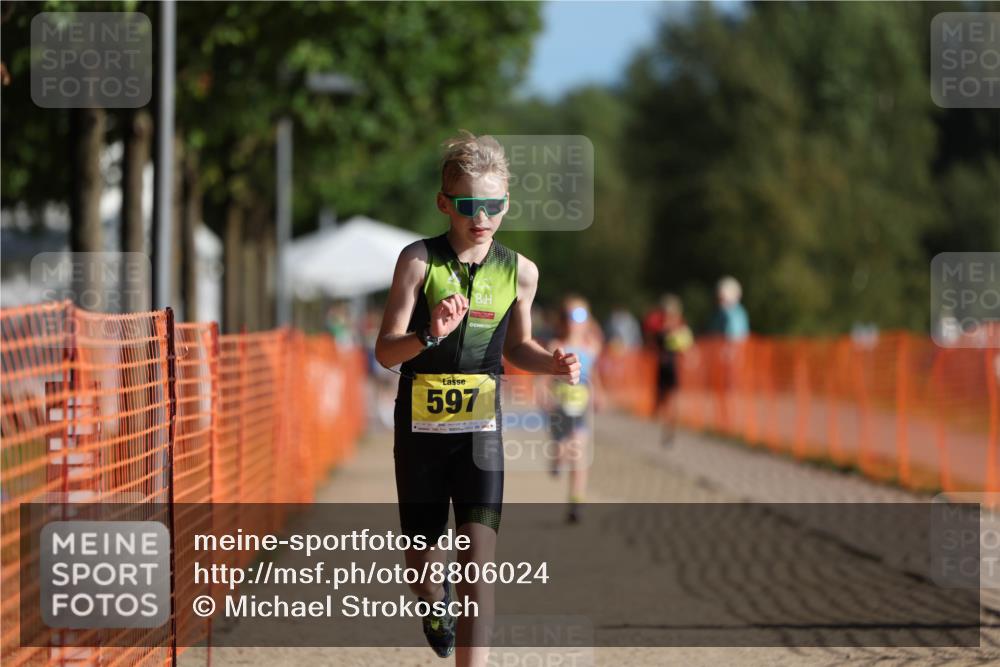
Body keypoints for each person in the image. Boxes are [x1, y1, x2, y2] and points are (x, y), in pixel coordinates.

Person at [375, 131, 580, 666]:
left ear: (506, 204)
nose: (482, 216)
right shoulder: (418, 261)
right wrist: (429, 334)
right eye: (469, 205)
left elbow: (519, 347)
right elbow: (384, 352)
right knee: (421, 565)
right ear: (446, 204)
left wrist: (553, 363)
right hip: (419, 431)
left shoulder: (522, 272)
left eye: (493, 205)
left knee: (477, 567)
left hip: (480, 433)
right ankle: (432, 603)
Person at [546, 295, 603, 523]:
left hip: (581, 407)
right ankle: (556, 460)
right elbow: (546, 376)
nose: (575, 321)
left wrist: (599, 393)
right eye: (570, 316)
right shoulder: (556, 346)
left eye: (580, 316)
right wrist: (544, 394)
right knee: (562, 449)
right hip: (560, 407)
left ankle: (576, 500)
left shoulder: (591, 347)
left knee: (579, 452)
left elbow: (594, 375)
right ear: (562, 320)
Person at [643, 294, 693, 445]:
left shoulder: (681, 329)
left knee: (672, 401)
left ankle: (670, 430)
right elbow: (651, 347)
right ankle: (663, 425)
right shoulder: (658, 329)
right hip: (662, 369)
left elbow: (688, 350)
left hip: (674, 369)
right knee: (661, 403)